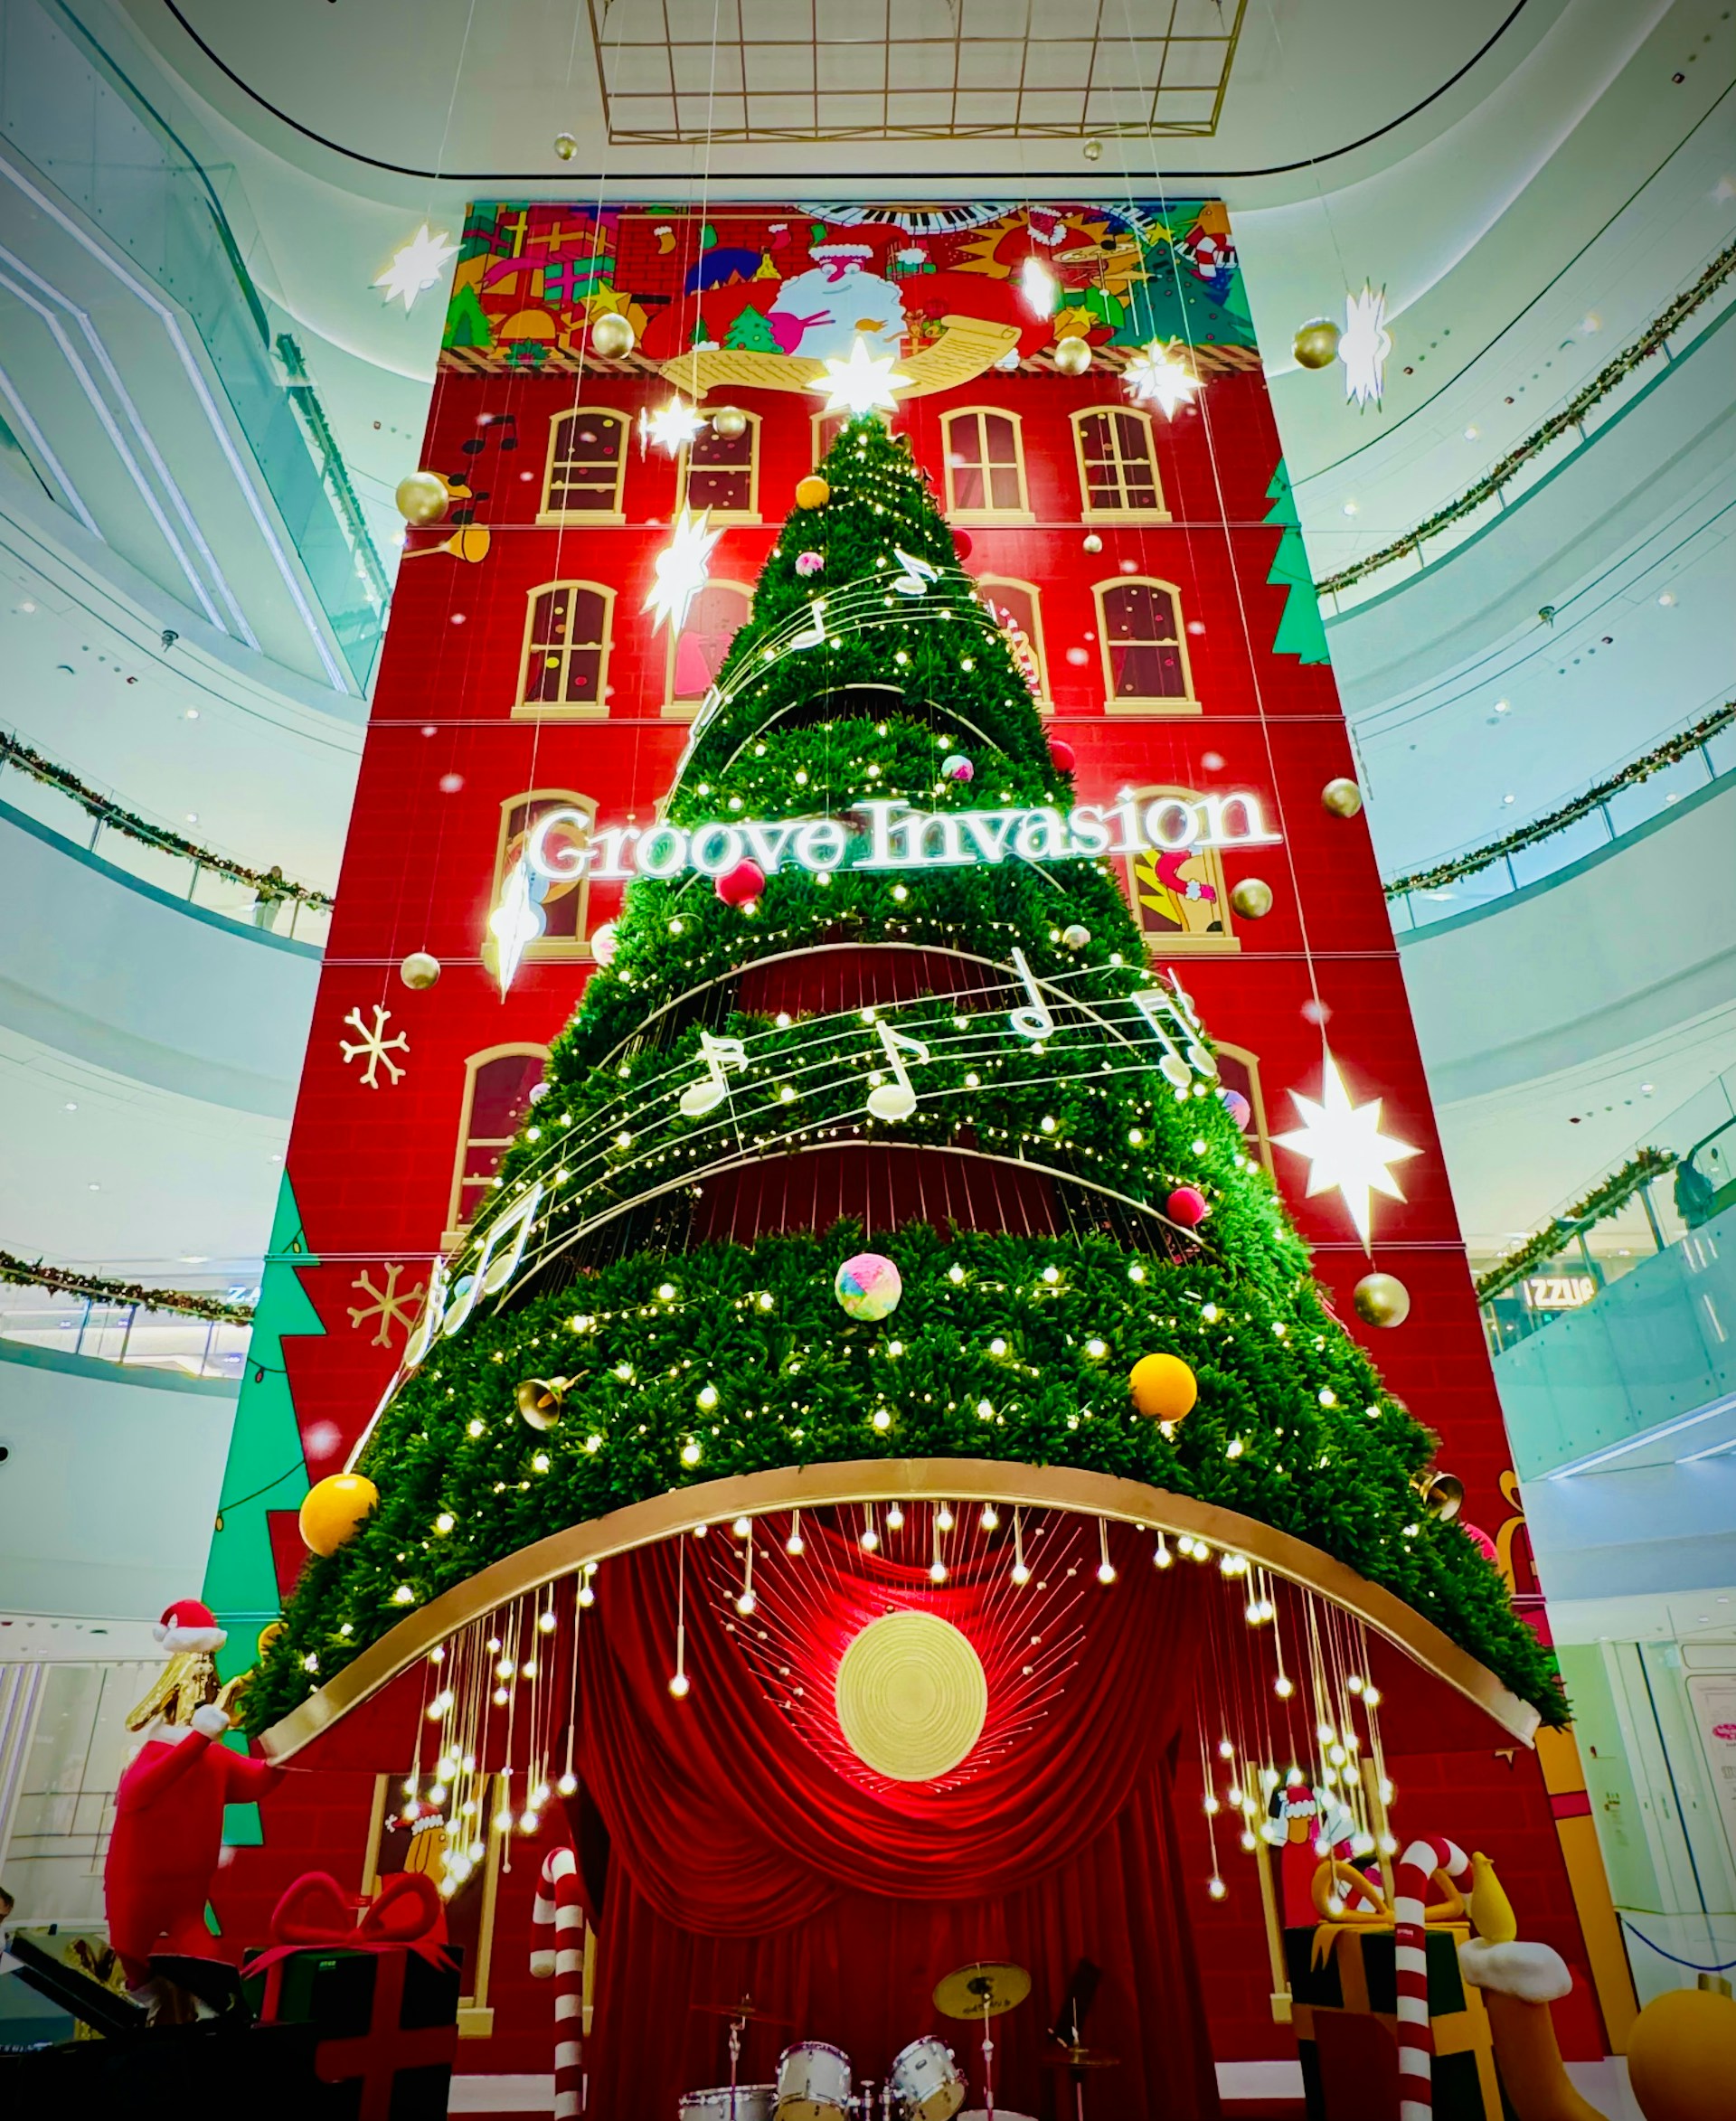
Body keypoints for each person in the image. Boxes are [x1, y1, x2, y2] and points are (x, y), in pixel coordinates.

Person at [251, 865, 288, 932]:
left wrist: (275, 895)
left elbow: (283, 896)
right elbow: (259, 886)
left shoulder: (281, 884)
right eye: (274, 870)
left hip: (272, 905)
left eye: (277, 871)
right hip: (261, 902)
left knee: (267, 924)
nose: (275, 872)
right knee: (257, 922)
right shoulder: (265, 879)